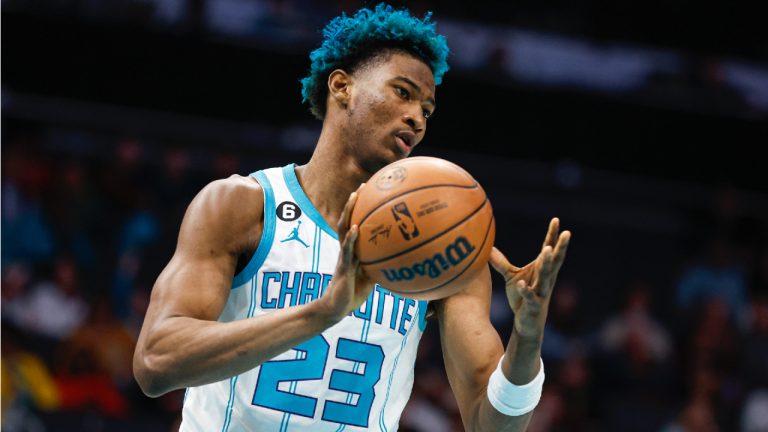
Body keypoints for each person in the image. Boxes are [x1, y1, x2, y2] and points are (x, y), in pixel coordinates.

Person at [133, 4, 571, 431]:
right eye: (404, 92)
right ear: (341, 86)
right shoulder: (243, 205)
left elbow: (490, 425)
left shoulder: (446, 250)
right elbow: (155, 364)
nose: (417, 118)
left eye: (427, 110)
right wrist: (319, 315)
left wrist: (527, 338)